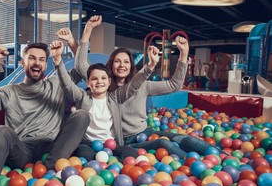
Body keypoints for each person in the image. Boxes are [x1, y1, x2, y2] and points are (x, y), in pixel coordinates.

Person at [76, 15, 217, 159]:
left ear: (131, 65)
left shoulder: (143, 85)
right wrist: (88, 30)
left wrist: (183, 54)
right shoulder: (104, 87)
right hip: (127, 141)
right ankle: (192, 162)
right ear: (111, 65)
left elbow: (174, 85)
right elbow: (81, 66)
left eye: (126, 61)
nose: (122, 65)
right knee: (165, 144)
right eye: (117, 61)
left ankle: (220, 156)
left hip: (146, 132)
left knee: (189, 140)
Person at [0, 42, 90, 186]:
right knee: (1, 131)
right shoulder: (10, 92)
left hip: (53, 149)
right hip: (22, 151)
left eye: (42, 59)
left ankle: (51, 169)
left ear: (45, 64)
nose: (37, 62)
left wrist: (67, 48)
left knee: (82, 116)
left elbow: (84, 69)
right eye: (32, 58)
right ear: (23, 63)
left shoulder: (57, 83)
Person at [52, 39, 160, 162]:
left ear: (109, 82)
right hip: (89, 143)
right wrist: (57, 61)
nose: (99, 82)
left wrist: (150, 65)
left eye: (103, 78)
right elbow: (67, 84)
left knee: (131, 153)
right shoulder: (82, 96)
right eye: (94, 79)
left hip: (111, 143)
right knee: (85, 155)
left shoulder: (115, 97)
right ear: (88, 82)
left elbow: (135, 84)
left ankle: (115, 169)